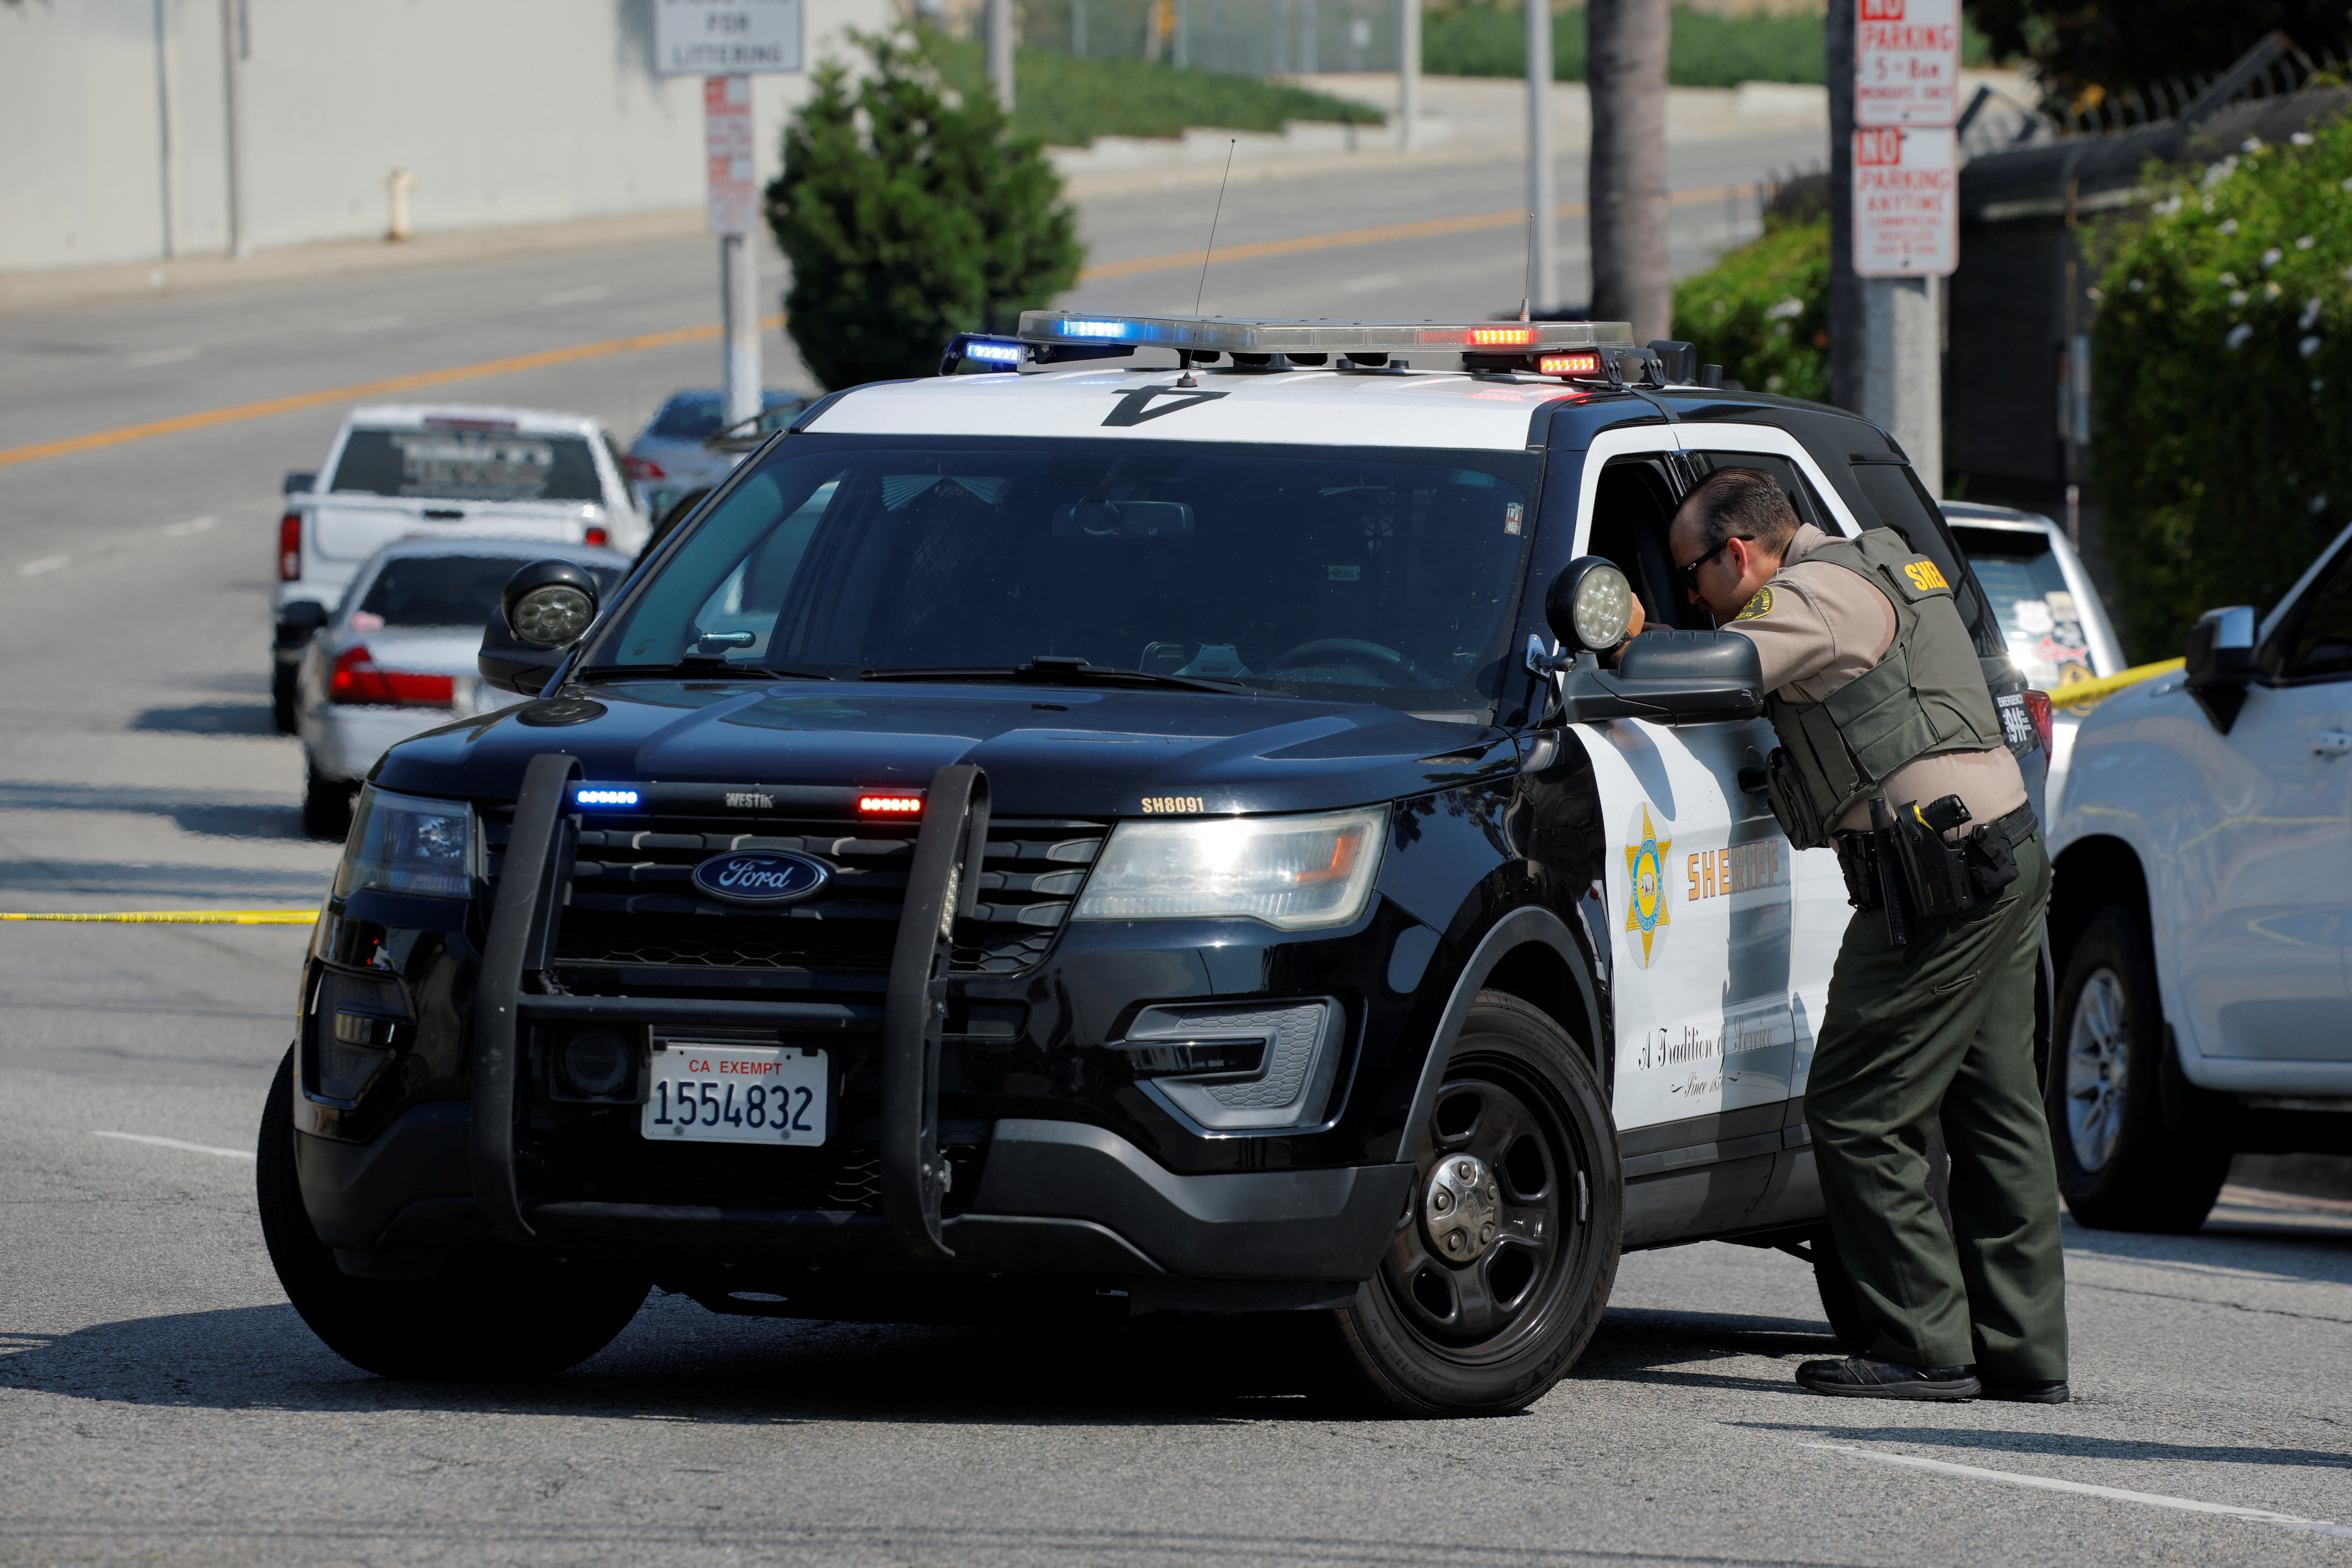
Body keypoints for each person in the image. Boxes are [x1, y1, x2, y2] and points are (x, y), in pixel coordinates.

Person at [1622, 466, 2068, 1403]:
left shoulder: (1812, 597)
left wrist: (1629, 636)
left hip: (1939, 876)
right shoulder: (1880, 564)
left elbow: (1703, 668)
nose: (1692, 598)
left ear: (1739, 553)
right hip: (2005, 851)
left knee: (1859, 1104)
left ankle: (1919, 1345)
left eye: (1693, 576)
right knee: (1997, 1110)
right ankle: (2024, 1353)